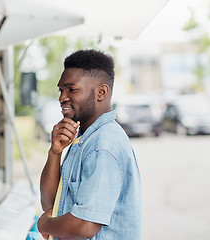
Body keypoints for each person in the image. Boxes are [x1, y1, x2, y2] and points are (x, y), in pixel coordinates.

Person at [37, 49, 142, 240]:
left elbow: (85, 225)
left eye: (72, 89)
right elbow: (52, 205)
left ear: (101, 92)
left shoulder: (103, 145)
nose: (62, 98)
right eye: (61, 90)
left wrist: (44, 224)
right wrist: (55, 153)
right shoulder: (84, 139)